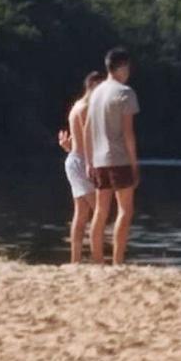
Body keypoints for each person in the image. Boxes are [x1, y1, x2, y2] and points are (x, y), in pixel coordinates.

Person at [84, 48, 140, 265]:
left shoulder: (95, 93)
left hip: (98, 159)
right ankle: (117, 261)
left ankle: (97, 260)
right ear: (122, 67)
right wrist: (134, 163)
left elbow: (88, 128)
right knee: (125, 210)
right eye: (128, 68)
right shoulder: (125, 92)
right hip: (119, 159)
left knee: (100, 210)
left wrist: (89, 160)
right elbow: (128, 132)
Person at [58, 71, 103, 263]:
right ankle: (97, 258)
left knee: (82, 212)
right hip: (82, 162)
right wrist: (93, 163)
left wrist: (69, 147)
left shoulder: (77, 106)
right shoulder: (86, 108)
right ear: (92, 85)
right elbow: (87, 137)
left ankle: (75, 259)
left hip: (74, 159)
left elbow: (78, 141)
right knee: (100, 211)